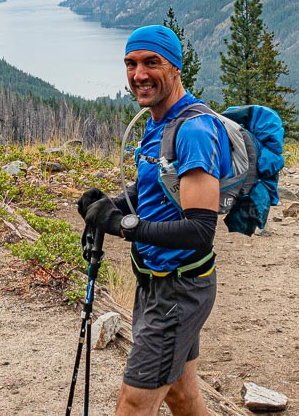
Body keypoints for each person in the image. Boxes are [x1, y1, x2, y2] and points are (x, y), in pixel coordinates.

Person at [77, 25, 231, 416]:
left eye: (151, 63)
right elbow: (159, 188)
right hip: (157, 282)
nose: (138, 74)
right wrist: (108, 205)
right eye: (131, 63)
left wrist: (122, 225)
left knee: (133, 404)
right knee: (182, 395)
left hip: (178, 290)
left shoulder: (194, 129)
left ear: (176, 67)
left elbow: (200, 230)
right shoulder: (157, 120)